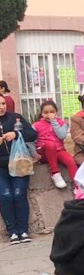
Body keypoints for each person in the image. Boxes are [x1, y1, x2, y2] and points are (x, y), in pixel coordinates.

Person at [0, 98, 36, 245]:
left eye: (2, 103)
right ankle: (13, 232)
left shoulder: (15, 118)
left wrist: (16, 134)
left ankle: (23, 230)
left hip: (18, 163)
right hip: (0, 167)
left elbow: (33, 134)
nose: (1, 107)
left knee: (19, 194)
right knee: (5, 196)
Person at [33, 101, 77, 189]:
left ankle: (78, 188)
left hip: (59, 150)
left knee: (70, 161)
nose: (49, 115)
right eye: (46, 112)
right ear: (41, 114)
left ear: (56, 112)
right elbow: (31, 141)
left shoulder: (62, 123)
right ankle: (55, 173)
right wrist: (34, 153)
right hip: (44, 152)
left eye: (52, 112)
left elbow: (61, 136)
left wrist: (54, 121)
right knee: (50, 144)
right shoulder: (36, 125)